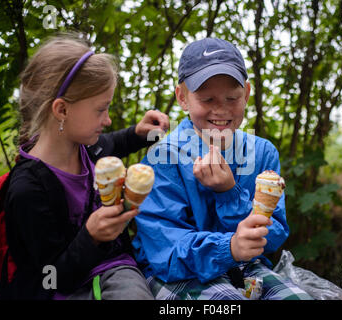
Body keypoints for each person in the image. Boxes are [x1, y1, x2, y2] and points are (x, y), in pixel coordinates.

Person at [132, 38, 312, 300]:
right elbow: (165, 251)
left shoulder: (262, 153)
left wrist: (229, 192)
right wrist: (230, 247)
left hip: (247, 266)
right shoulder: (163, 157)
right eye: (207, 99)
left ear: (247, 94)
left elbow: (272, 236)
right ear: (183, 97)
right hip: (176, 274)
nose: (220, 109)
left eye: (232, 97)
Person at [3, 35, 169, 300]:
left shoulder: (87, 147)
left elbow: (115, 142)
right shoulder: (27, 190)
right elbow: (50, 276)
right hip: (65, 287)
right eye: (101, 110)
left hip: (115, 267)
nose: (108, 119)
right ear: (62, 110)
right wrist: (91, 237)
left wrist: (139, 133)